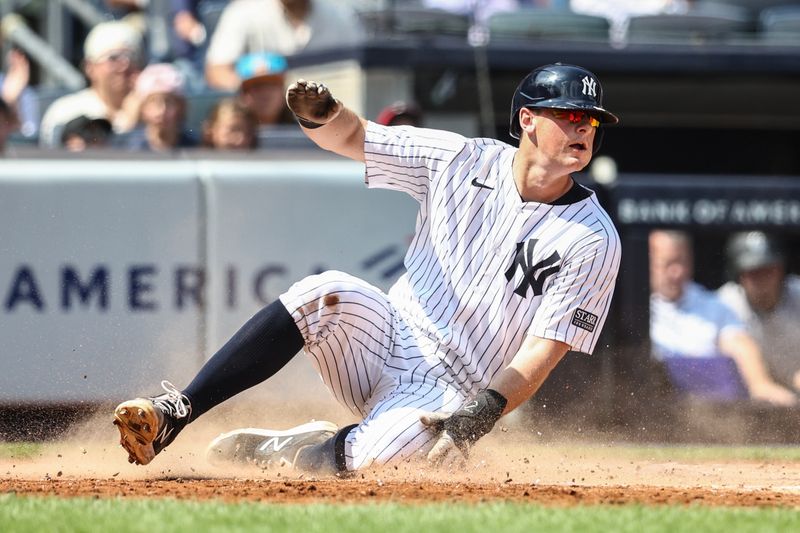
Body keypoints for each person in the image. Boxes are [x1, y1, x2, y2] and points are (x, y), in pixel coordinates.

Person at [113, 64, 621, 474]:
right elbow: (353, 138)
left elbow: (543, 350)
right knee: (326, 291)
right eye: (569, 114)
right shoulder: (461, 159)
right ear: (528, 119)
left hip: (452, 388)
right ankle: (176, 411)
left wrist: (480, 414)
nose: (582, 128)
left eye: (590, 121)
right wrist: (324, 115)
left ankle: (300, 450)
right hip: (388, 332)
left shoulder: (593, 238)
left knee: (387, 458)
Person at [649, 229, 796, 405]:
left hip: (709, 414)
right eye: (667, 263)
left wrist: (761, 384)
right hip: (650, 407)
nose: (677, 272)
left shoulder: (714, 305)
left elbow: (740, 345)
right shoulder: (626, 305)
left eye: (682, 262)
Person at [204, 0, 364, 91]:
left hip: (329, 122)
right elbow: (217, 71)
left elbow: (363, 71)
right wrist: (257, 85)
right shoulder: (243, 13)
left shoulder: (341, 16)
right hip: (264, 130)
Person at [39, 20, 144, 148]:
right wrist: (124, 122)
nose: (124, 65)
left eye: (131, 57)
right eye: (114, 58)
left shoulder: (158, 110)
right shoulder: (67, 111)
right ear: (90, 67)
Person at [718, 231, 800, 392]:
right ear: (739, 275)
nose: (763, 280)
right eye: (754, 273)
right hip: (746, 406)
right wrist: (762, 386)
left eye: (768, 271)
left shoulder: (797, 294)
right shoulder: (725, 303)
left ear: (781, 270)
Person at [117, 63, 197, 151]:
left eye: (169, 102)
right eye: (154, 102)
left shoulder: (195, 146)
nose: (162, 110)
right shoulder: (125, 147)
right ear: (142, 108)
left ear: (180, 107)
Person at [236, 52, 294, 126]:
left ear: (283, 91)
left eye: (272, 85)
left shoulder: (306, 130)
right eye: (257, 86)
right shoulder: (232, 134)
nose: (265, 94)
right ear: (243, 95)